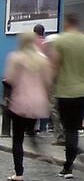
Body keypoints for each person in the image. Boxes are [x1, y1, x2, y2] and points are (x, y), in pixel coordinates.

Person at [50, 14, 84, 179]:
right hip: (82, 91)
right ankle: (71, 162)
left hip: (64, 91)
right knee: (74, 128)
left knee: (68, 130)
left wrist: (48, 87)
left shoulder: (61, 41)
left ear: (66, 23)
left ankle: (69, 166)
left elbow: (55, 67)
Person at [3, 31, 53, 180]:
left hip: (20, 103)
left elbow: (10, 79)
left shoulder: (16, 57)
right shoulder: (42, 60)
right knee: (31, 132)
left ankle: (19, 173)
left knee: (17, 139)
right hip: (38, 103)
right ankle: (41, 152)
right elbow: (48, 82)